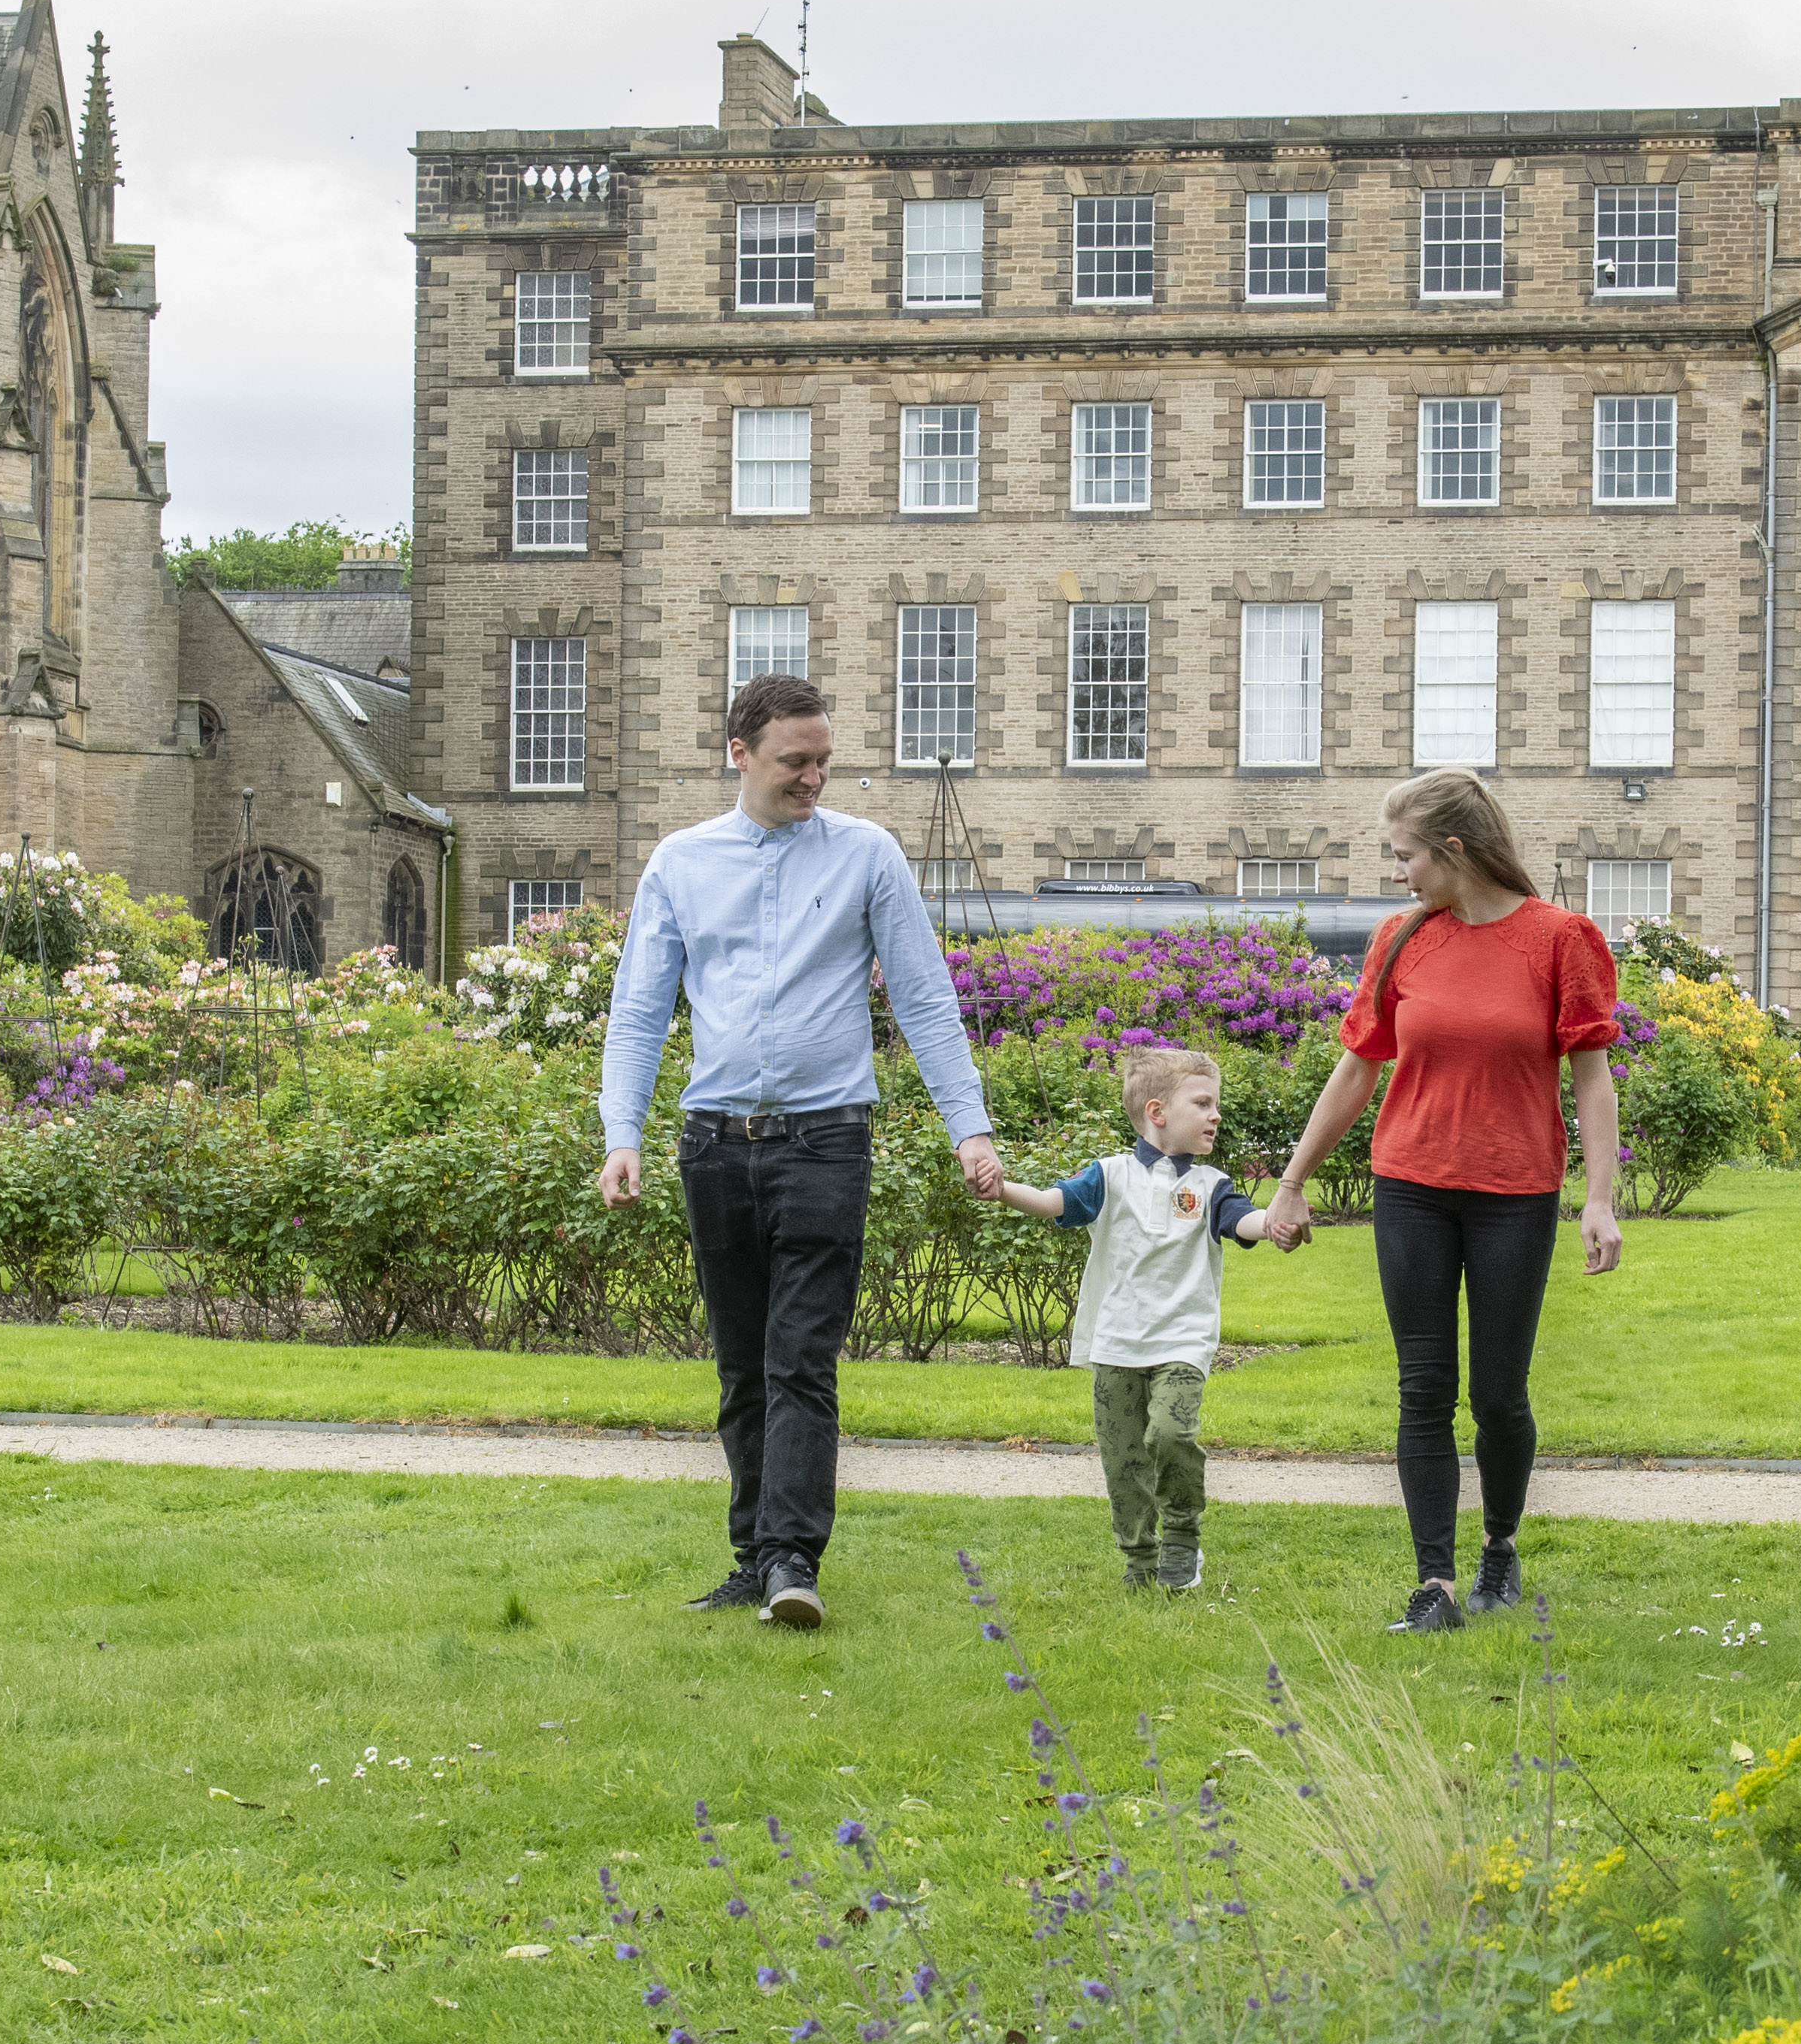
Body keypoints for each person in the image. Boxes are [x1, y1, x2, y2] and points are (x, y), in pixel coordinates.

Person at [593, 677, 1006, 1629]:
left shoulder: (867, 856)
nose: (814, 776)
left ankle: (791, 1559)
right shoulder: (680, 862)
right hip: (713, 1144)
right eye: (794, 761)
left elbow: (924, 997)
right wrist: (623, 1135)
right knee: (740, 1363)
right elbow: (640, 1012)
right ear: (738, 750)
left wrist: (967, 1126)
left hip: (826, 1140)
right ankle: (751, 1556)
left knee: (801, 1358)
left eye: (823, 759)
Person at [1252, 770, 1621, 1634]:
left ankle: (1498, 1545)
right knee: (1423, 1386)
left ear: (1452, 850)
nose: (1399, 871)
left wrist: (1596, 1199)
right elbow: (1356, 1068)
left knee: (1497, 1393)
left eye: (1405, 853)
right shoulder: (1400, 938)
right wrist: (1293, 1180)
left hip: (1514, 1192)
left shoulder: (1560, 939)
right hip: (1410, 1186)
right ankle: (1434, 1584)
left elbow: (1593, 1079)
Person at [984, 1042, 1250, 1592]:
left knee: (1171, 1433)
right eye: (1201, 1103)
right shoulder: (1108, 1176)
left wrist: (1276, 1222)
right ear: (1157, 1113)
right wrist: (999, 1188)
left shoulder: (1210, 1186)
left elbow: (1241, 1221)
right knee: (1123, 1460)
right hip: (1116, 1343)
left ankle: (1181, 1534)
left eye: (1214, 1104)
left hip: (1182, 1341)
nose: (1215, 1114)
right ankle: (1139, 1559)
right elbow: (1050, 1200)